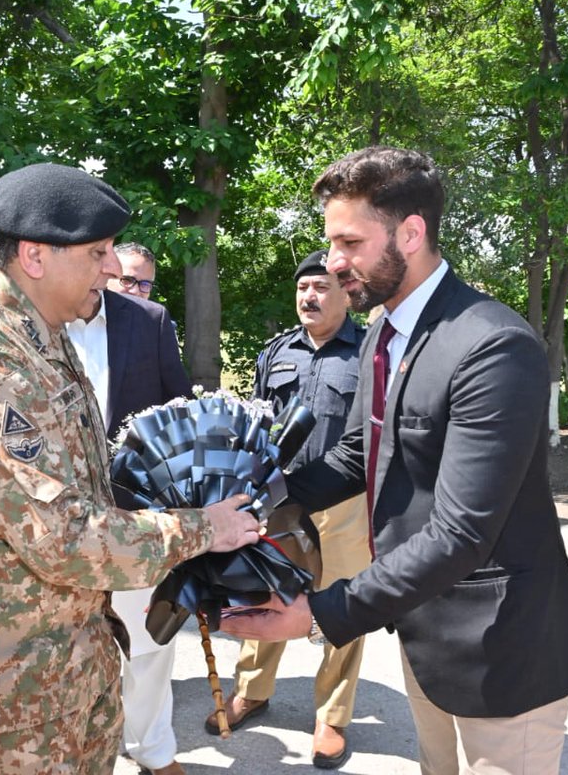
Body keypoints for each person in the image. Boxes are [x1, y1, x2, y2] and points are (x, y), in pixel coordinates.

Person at [220, 146, 568, 775]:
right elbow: (357, 455)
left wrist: (321, 613)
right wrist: (254, 502)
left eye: (349, 242)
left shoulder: (492, 345)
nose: (333, 261)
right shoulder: (383, 330)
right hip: (420, 624)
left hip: (500, 643)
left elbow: (462, 531)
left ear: (411, 231)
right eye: (330, 243)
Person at [0, 162, 261, 774]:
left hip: (61, 668)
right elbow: (59, 535)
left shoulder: (43, 336)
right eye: (98, 252)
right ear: (35, 257)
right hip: (2, 693)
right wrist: (203, 529)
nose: (112, 269)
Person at [207, 249, 370, 769]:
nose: (310, 296)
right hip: (279, 498)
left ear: (346, 293)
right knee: (263, 590)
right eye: (303, 288)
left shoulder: (370, 353)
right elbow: (257, 419)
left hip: (345, 504)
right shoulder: (277, 352)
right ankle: (252, 691)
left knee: (342, 605)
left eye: (322, 287)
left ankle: (331, 717)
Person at [67, 263, 192, 775]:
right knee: (67, 646)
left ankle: (152, 750)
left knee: (148, 643)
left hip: (136, 514)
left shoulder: (149, 321)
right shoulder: (32, 317)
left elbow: (178, 412)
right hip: (56, 519)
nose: (109, 271)